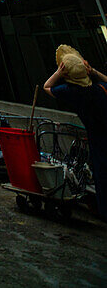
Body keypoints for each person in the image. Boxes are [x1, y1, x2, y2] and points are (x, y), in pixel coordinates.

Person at [44, 44, 107, 220]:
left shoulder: (71, 92)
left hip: (98, 138)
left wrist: (58, 74)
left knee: (102, 174)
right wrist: (93, 71)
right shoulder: (100, 90)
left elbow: (47, 87)